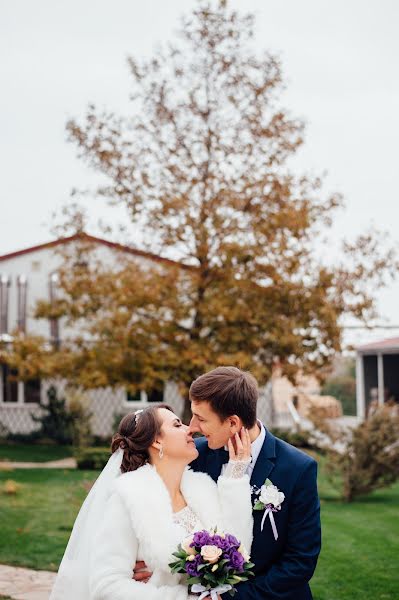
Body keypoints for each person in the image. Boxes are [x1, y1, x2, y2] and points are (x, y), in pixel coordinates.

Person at [50, 403, 253, 600]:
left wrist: (235, 476)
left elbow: (237, 549)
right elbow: (106, 585)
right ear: (156, 441)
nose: (190, 429)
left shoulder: (203, 490)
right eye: (176, 425)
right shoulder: (130, 497)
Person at [188, 366, 321, 600]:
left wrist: (229, 597)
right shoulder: (194, 456)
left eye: (200, 418)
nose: (192, 427)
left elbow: (300, 561)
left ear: (233, 423)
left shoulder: (298, 468)